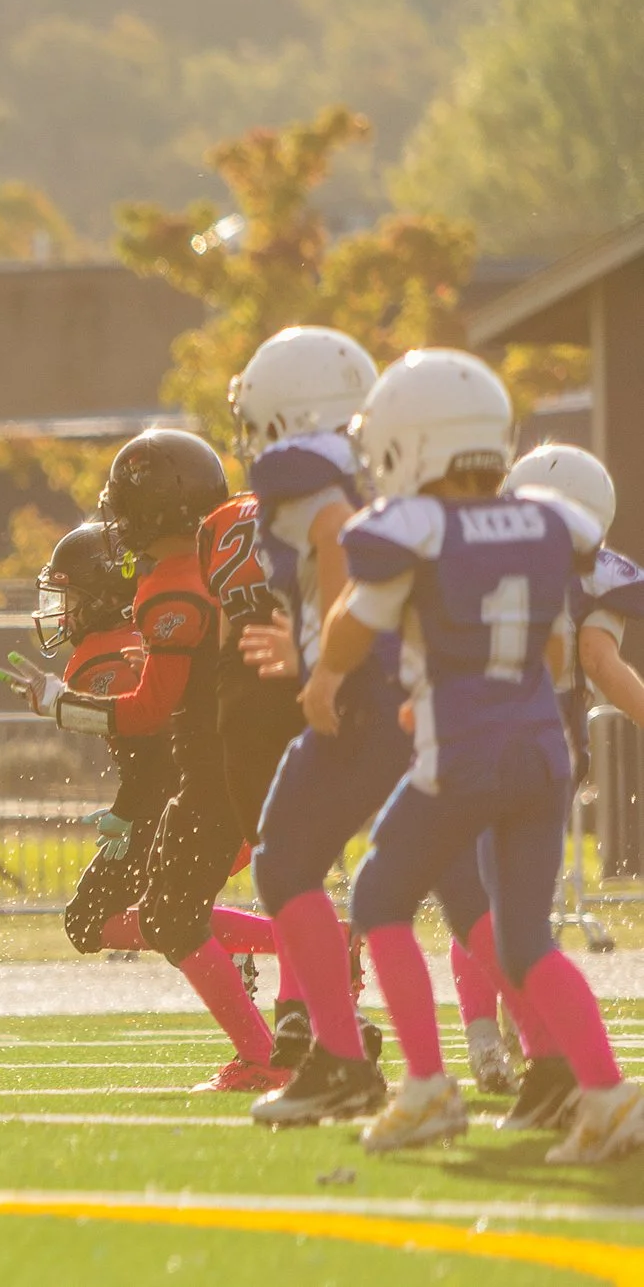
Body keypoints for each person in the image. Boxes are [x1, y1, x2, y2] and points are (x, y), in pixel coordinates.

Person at [314, 350, 641, 1161]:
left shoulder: (411, 529)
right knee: (526, 935)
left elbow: (352, 632)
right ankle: (606, 1093)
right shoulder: (552, 521)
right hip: (543, 750)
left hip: (463, 752)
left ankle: (425, 1084)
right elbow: (561, 656)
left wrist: (334, 657)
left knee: (378, 892)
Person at [228, 328, 513, 1126]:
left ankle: (343, 1061)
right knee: (461, 885)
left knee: (285, 858)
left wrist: (327, 662)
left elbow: (333, 543)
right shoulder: (374, 463)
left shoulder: (304, 475)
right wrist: (318, 643)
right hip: (414, 683)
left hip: (365, 695)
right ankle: (563, 1058)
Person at [0, 430, 283, 1092]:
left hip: (212, 781)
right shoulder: (220, 569)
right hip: (249, 762)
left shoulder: (166, 589)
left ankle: (271, 1042)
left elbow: (147, 720)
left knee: (155, 915)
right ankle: (292, 1010)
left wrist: (59, 704)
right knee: (167, 910)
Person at [493, 443, 644, 1131]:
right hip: (550, 748)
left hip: (487, 742)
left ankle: (558, 1065)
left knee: (501, 916)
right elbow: (598, 659)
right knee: (512, 914)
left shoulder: (478, 551)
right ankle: (542, 1059)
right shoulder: (595, 569)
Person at [28, 523, 170, 967]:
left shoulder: (102, 659)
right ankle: (250, 947)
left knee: (87, 922)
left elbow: (153, 748)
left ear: (104, 598)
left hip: (179, 807)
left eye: (68, 601)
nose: (60, 614)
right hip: (189, 802)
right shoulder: (137, 636)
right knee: (176, 913)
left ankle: (248, 948)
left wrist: (127, 812)